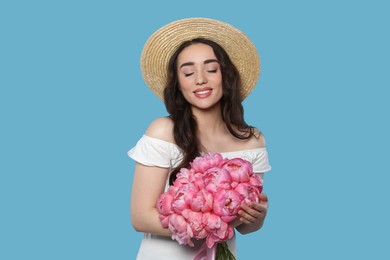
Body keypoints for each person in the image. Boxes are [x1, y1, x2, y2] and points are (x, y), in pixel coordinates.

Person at [128, 18, 271, 259]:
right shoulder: (163, 131)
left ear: (226, 76)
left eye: (212, 69)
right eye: (188, 72)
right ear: (178, 84)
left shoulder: (252, 141)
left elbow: (245, 227)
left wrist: (257, 218)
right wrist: (208, 221)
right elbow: (141, 217)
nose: (200, 79)